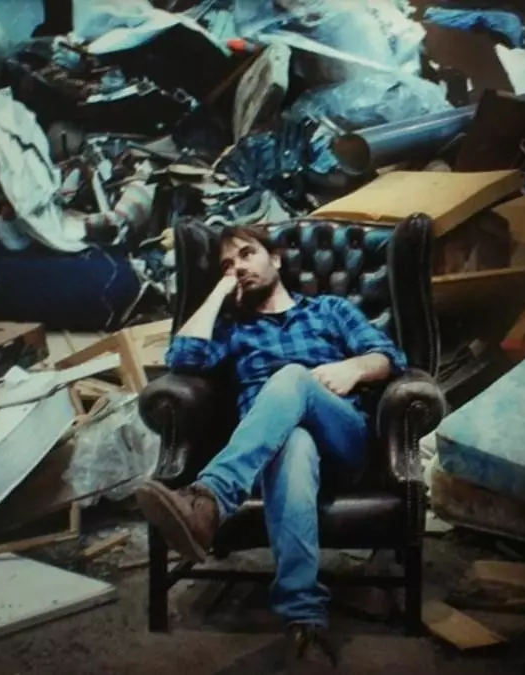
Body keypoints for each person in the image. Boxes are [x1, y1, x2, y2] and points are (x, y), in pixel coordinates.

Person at [133, 225, 406, 666]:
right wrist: (222, 289)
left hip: (343, 440)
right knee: (293, 443)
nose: (238, 267)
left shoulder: (329, 310)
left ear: (275, 259)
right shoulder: (234, 330)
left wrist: (354, 368)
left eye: (246, 254)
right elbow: (182, 357)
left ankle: (211, 499)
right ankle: (305, 621)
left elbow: (389, 357)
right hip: (272, 451)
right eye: (227, 264)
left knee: (292, 376)